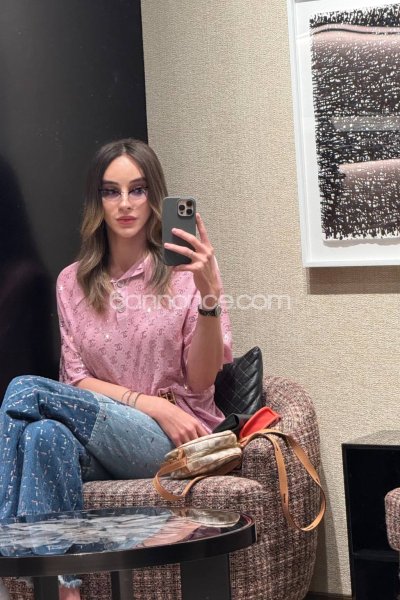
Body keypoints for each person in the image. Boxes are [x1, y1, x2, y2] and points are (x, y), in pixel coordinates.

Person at [0, 138, 232, 600]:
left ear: (154, 196)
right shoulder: (72, 282)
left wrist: (210, 294)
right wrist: (148, 403)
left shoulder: (186, 275)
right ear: (97, 201)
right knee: (44, 436)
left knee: (24, 389)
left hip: (173, 439)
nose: (125, 203)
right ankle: (66, 590)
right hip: (109, 435)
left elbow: (202, 380)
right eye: (111, 191)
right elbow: (75, 378)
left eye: (138, 190)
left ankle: (4, 568)